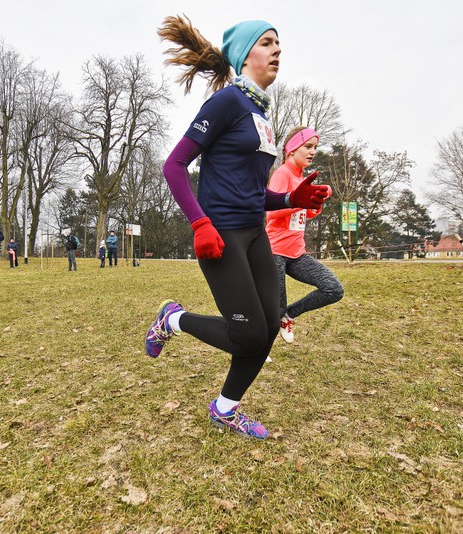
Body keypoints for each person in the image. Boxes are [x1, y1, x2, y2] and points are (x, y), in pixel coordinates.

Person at [145, 16, 330, 440]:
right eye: (267, 43)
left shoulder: (261, 113)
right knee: (247, 334)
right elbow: (173, 166)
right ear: (246, 55)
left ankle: (225, 409)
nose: (277, 50)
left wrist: (289, 199)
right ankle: (172, 320)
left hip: (255, 235)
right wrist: (200, 223)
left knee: (268, 328)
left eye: (279, 43)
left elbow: (250, 191)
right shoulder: (227, 102)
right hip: (220, 235)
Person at [267, 127, 343, 343]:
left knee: (333, 289)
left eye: (315, 148)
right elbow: (270, 214)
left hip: (296, 253)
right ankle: (259, 353)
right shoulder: (283, 173)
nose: (313, 152)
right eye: (308, 146)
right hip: (275, 252)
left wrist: (317, 201)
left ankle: (289, 315)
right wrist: (296, 200)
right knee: (275, 307)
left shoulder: (302, 178)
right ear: (291, 150)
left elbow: (305, 213)